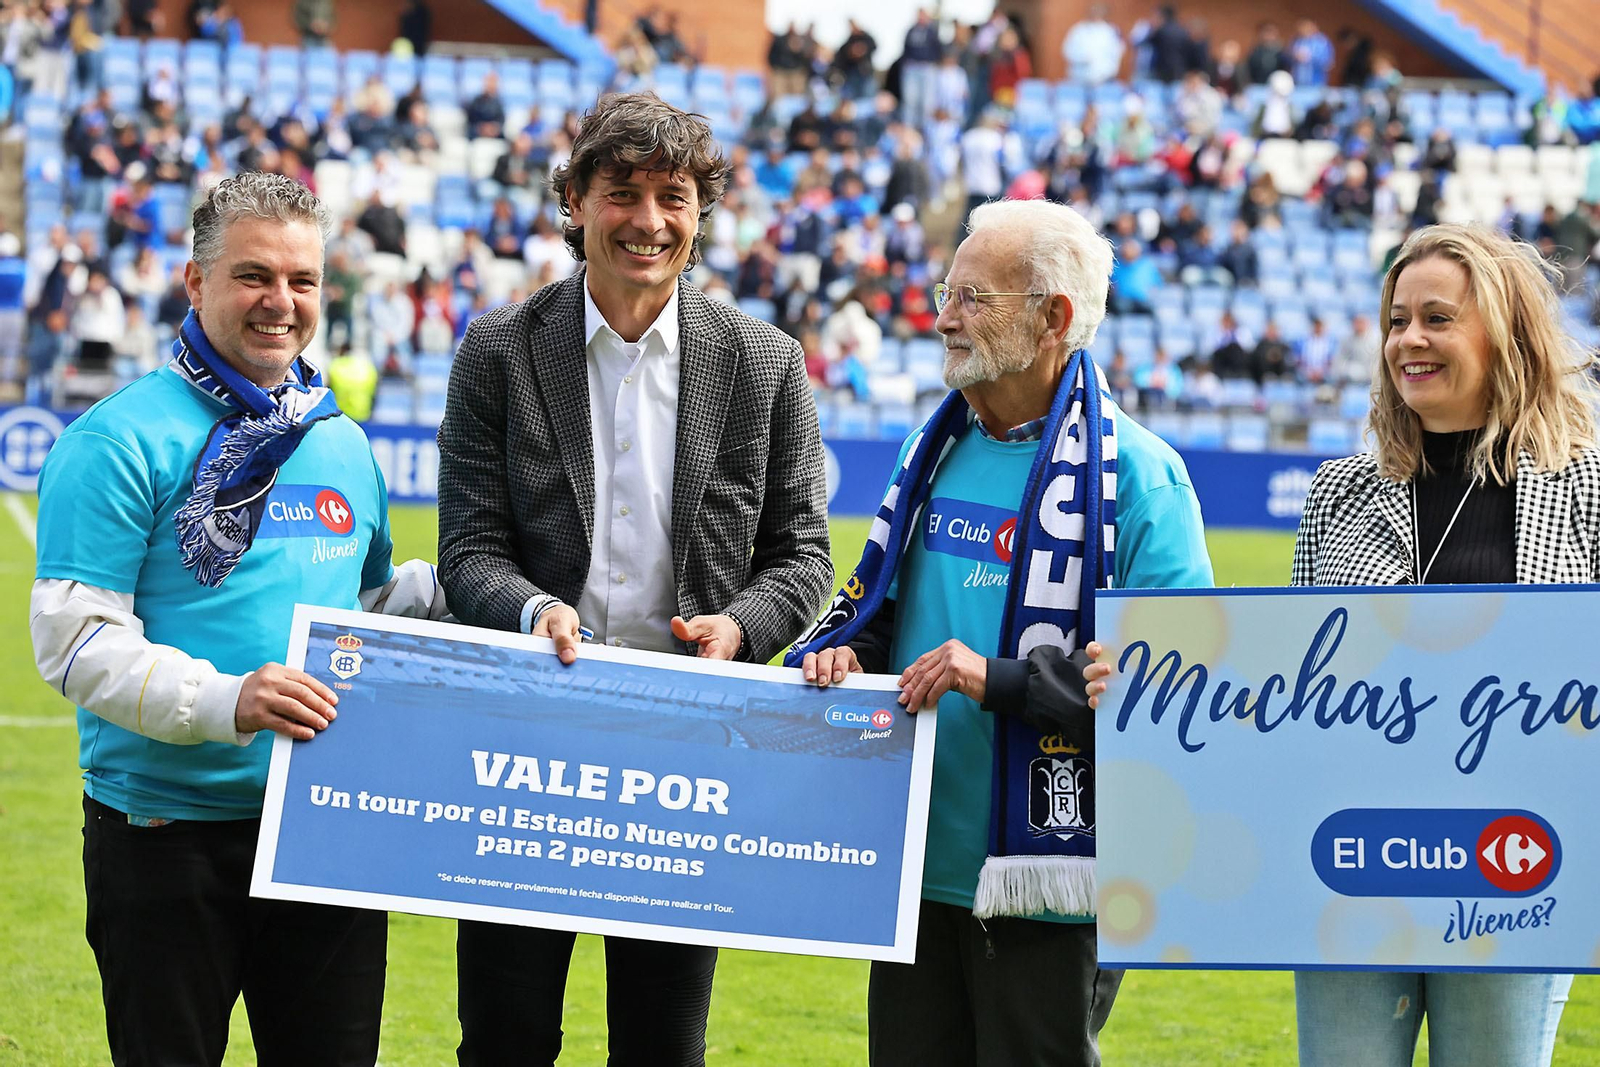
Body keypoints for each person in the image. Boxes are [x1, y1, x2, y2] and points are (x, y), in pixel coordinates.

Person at [437, 91, 833, 1067]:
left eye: (674, 196)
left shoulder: (763, 362)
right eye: (622, 193)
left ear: (702, 212)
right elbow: (469, 547)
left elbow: (803, 555)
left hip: (684, 749)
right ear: (573, 200)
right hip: (524, 743)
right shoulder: (498, 350)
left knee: (663, 1044)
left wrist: (740, 624)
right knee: (503, 1035)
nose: (649, 221)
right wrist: (532, 608)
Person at [28, 172, 446, 1066]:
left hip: (320, 827)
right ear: (195, 282)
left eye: (302, 281)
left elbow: (365, 605)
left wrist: (503, 594)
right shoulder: (115, 439)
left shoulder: (337, 437)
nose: (280, 303)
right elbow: (75, 641)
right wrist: (229, 700)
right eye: (253, 275)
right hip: (162, 837)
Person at [794, 198, 1213, 1067]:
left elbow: (1179, 695)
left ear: (1053, 317)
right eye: (948, 292)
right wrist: (849, 650)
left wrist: (1003, 678)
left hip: (1053, 881)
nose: (943, 316)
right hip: (914, 868)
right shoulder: (934, 447)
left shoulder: (1142, 476)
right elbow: (883, 610)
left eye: (973, 298)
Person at [1291, 223, 1589, 1067]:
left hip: (1518, 863)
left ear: (1504, 332)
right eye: (1395, 320)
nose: (1408, 340)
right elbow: (1287, 688)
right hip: (1356, 856)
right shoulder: (1339, 493)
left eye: (1436, 318)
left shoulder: (1587, 482)